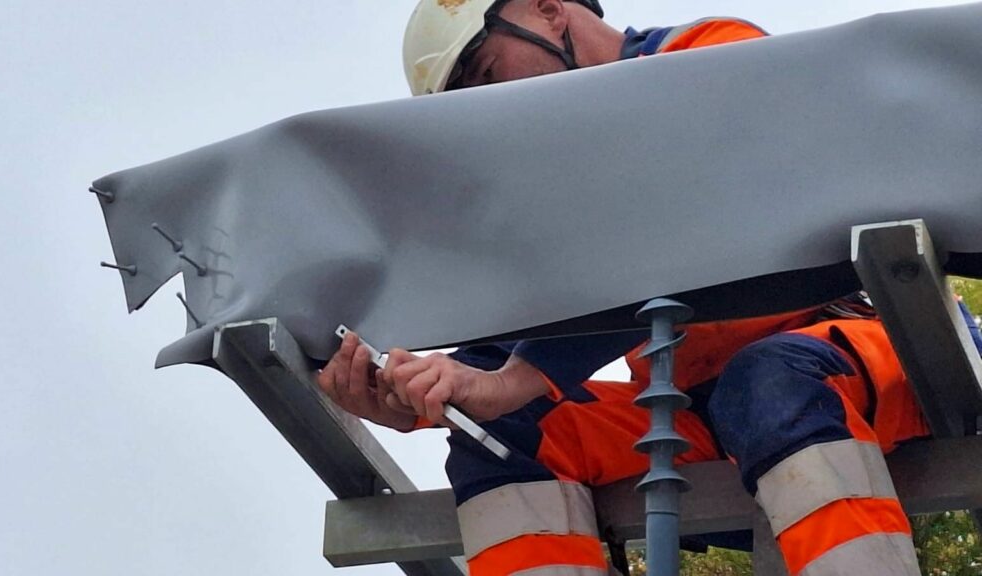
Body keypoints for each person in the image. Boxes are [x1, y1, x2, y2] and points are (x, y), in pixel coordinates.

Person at [318, 1, 931, 574]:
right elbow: (513, 342)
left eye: (483, 71)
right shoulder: (537, 183)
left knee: (767, 376)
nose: (486, 104)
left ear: (548, 10)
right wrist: (428, 396)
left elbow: (704, 222)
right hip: (694, 410)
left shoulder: (712, 55)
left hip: (847, 354)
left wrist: (515, 380)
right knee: (502, 441)